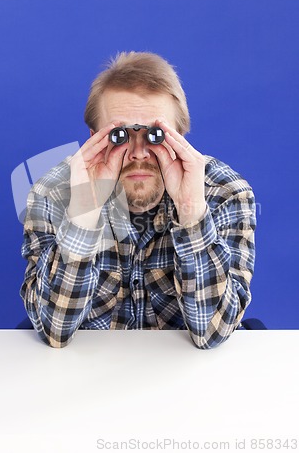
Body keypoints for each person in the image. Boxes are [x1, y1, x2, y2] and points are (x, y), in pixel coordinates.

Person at [20, 51, 256, 349]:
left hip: (185, 372)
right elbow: (54, 330)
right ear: (93, 136)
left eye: (156, 135)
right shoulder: (53, 192)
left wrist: (191, 212)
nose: (139, 152)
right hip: (86, 372)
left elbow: (213, 333)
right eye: (119, 134)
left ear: (180, 137)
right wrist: (82, 215)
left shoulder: (224, 193)